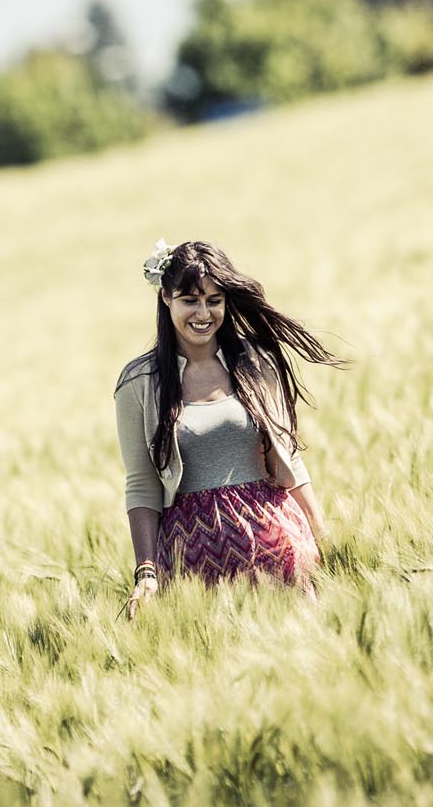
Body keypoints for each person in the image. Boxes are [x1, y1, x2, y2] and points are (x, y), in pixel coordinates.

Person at [115, 238, 336, 620]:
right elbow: (141, 485)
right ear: (165, 297)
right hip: (192, 563)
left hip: (277, 543)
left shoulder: (257, 361)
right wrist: (146, 571)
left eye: (214, 300)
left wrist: (326, 539)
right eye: (190, 299)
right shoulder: (139, 382)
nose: (203, 313)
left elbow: (291, 462)